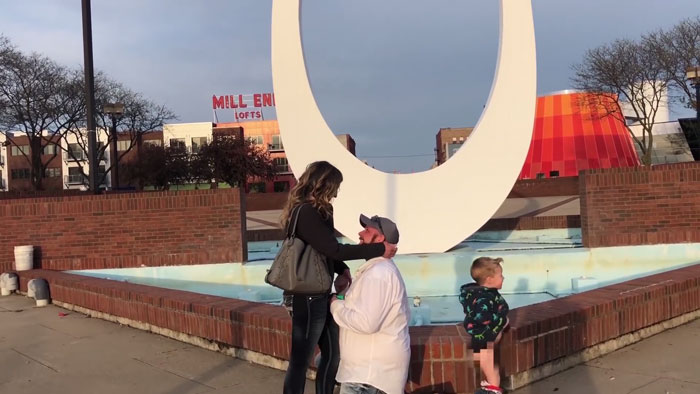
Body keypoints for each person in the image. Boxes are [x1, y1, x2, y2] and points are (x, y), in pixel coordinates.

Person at [280, 161, 397, 394]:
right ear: (324, 184)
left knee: (332, 356)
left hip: (320, 292)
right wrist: (378, 249)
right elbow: (333, 249)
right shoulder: (305, 212)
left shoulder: (323, 212)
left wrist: (341, 268)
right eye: (335, 186)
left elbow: (326, 251)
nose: (337, 192)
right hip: (305, 296)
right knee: (300, 361)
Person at [330, 214, 410, 394]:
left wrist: (334, 304)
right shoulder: (376, 271)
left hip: (368, 377)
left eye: (367, 230)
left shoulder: (378, 274)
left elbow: (366, 323)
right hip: (366, 374)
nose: (360, 233)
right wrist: (343, 294)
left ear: (380, 239)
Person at [459, 257, 509, 394]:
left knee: (488, 363)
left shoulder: (480, 294)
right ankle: (494, 388)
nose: (503, 278)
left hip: (480, 335)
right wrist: (502, 322)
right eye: (500, 275)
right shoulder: (484, 298)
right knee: (491, 366)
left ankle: (492, 385)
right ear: (489, 279)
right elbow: (484, 318)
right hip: (485, 335)